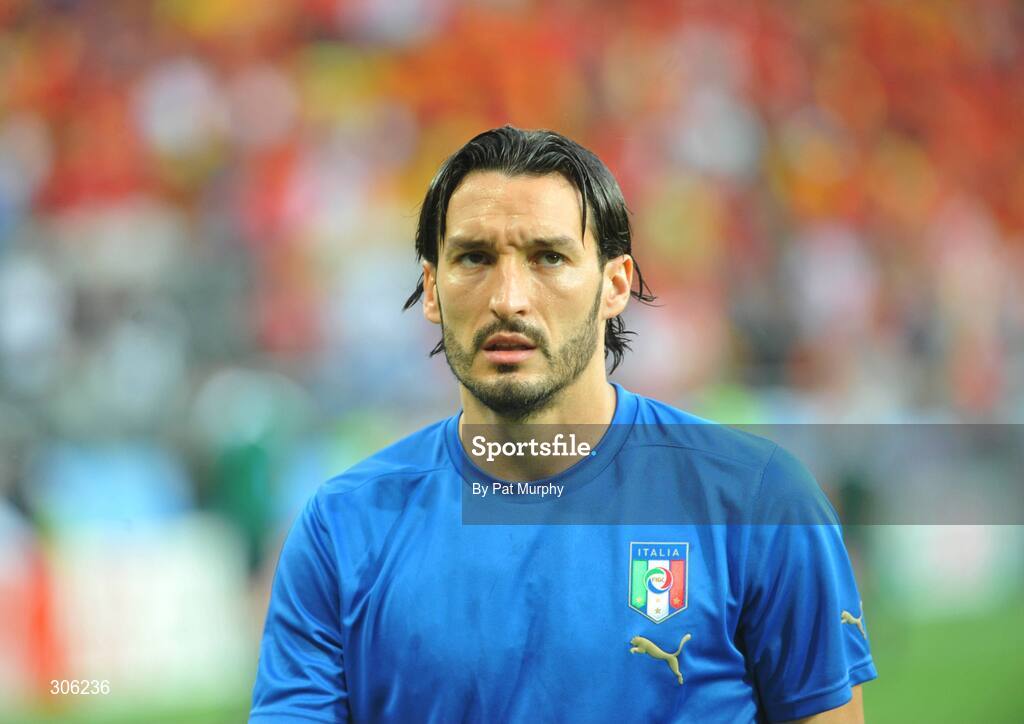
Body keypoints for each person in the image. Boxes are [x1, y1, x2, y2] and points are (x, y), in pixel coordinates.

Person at [250, 126, 876, 722]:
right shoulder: (343, 530)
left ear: (615, 285)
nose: (508, 298)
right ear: (432, 289)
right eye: (474, 258)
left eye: (549, 257)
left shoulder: (757, 501)